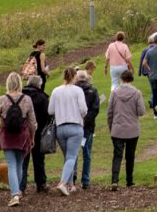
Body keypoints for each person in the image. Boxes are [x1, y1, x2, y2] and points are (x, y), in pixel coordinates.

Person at [0, 72, 37, 207]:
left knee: (11, 164)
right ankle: (18, 191)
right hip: (22, 135)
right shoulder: (27, 99)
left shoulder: (2, 99)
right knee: (19, 165)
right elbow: (33, 122)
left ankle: (15, 194)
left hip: (7, 135)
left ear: (8, 83)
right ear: (20, 83)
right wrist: (32, 136)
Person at [47, 67, 87, 195]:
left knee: (67, 157)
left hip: (60, 128)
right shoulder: (78, 90)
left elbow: (50, 111)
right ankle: (63, 183)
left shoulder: (56, 91)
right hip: (75, 127)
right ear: (74, 76)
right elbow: (84, 109)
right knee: (72, 157)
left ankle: (70, 185)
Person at [106, 69, 145, 190]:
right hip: (132, 129)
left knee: (117, 155)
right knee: (130, 155)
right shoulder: (137, 93)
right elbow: (141, 111)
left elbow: (109, 112)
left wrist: (111, 127)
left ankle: (114, 180)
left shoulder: (114, 93)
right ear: (131, 79)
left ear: (122, 79)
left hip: (117, 128)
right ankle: (129, 180)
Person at [20, 75, 50, 194]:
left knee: (23, 160)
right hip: (38, 132)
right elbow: (47, 116)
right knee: (39, 159)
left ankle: (21, 186)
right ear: (39, 84)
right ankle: (41, 183)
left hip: (22, 132)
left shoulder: (21, 95)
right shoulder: (42, 97)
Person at [74, 70, 100, 190]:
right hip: (88, 127)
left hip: (74, 124)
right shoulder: (93, 91)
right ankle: (85, 180)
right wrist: (86, 121)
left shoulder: (72, 90)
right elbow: (95, 109)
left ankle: (72, 178)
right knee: (87, 153)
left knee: (73, 153)